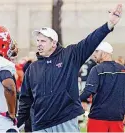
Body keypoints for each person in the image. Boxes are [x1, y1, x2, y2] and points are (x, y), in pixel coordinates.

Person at [17, 4, 123, 132]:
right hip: (41, 124)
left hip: (65, 121)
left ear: (54, 43)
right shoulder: (32, 68)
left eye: (43, 41)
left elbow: (90, 41)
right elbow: (25, 99)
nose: (39, 44)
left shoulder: (69, 56)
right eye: (38, 41)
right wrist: (19, 123)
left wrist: (109, 24)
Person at [80, 42, 125, 132]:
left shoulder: (97, 69)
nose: (94, 55)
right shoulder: (122, 69)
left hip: (98, 117)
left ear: (104, 53)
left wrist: (72, 101)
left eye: (96, 51)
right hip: (117, 118)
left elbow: (89, 91)